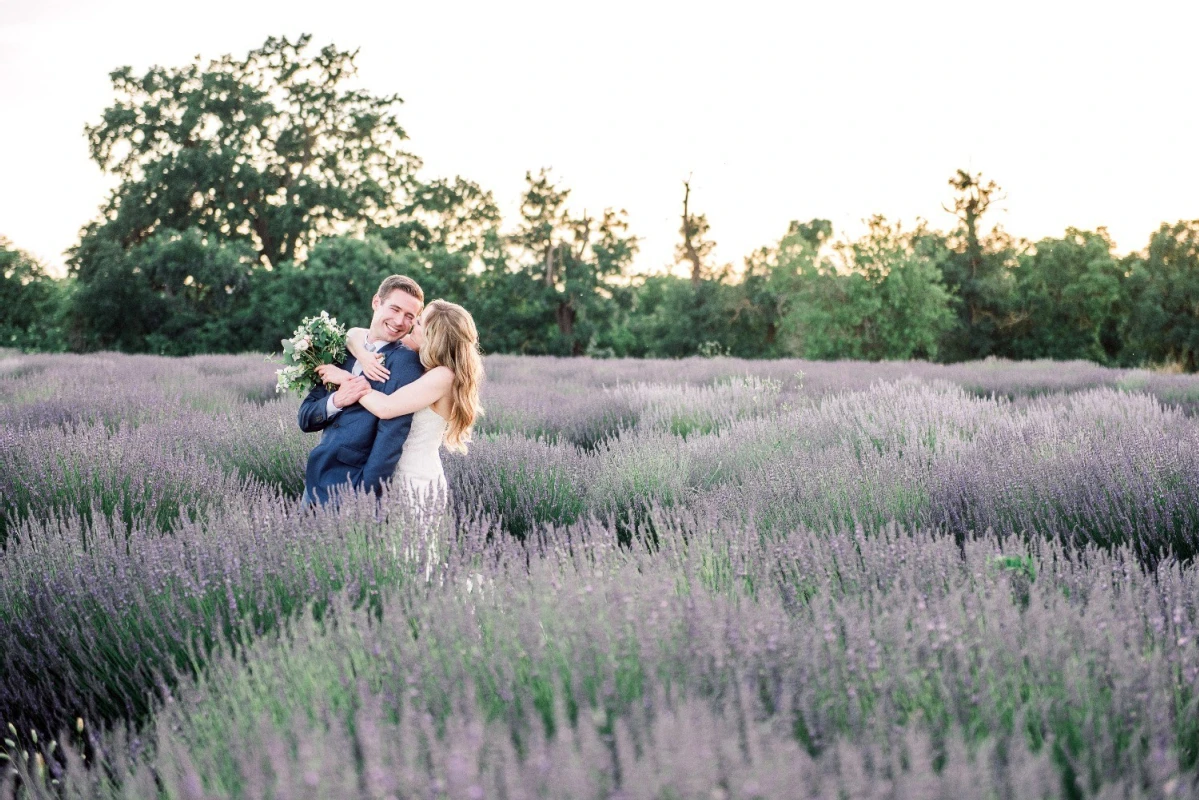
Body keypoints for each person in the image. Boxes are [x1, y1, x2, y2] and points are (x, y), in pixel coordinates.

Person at [316, 299, 484, 505]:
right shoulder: (422, 357)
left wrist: (345, 380)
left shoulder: (443, 376)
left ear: (435, 337)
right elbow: (354, 334)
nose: (413, 325)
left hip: (415, 483)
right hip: (389, 476)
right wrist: (363, 355)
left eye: (420, 323)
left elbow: (386, 408)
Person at [297, 275, 424, 506]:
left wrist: (364, 494)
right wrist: (335, 400)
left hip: (353, 487)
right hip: (315, 478)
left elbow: (391, 436)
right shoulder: (340, 350)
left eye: (409, 316)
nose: (399, 321)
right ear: (377, 302)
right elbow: (306, 419)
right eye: (394, 309)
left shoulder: (406, 363)